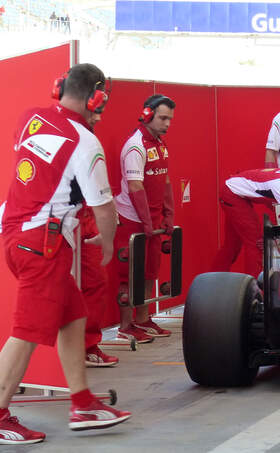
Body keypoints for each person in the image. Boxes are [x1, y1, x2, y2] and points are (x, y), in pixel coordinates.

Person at [0, 63, 131, 445]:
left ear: (60, 88)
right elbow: (104, 207)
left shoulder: (31, 118)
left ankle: (83, 402)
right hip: (43, 244)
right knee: (25, 333)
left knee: (72, 317)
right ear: (97, 96)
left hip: (19, 233)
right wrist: (107, 243)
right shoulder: (86, 142)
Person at [114, 94, 176, 343]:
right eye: (162, 118)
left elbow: (166, 182)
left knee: (150, 271)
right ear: (148, 114)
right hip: (132, 220)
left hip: (152, 220)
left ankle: (143, 318)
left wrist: (168, 214)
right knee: (129, 275)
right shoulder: (135, 145)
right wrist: (147, 222)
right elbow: (135, 186)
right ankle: (125, 325)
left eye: (170, 119)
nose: (167, 123)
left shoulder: (160, 145)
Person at [79, 110, 118, 367]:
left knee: (94, 285)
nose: (99, 117)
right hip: (62, 226)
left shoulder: (86, 139)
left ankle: (87, 347)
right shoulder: (82, 140)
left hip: (83, 222)